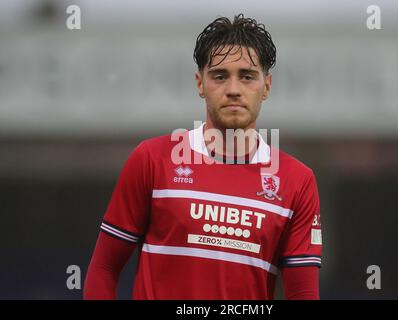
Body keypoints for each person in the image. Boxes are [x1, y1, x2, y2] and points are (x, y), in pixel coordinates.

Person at [84, 13, 323, 300]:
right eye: (220, 76)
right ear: (200, 83)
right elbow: (103, 269)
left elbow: (303, 293)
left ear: (266, 86)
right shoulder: (151, 160)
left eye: (247, 76)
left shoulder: (297, 181)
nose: (233, 89)